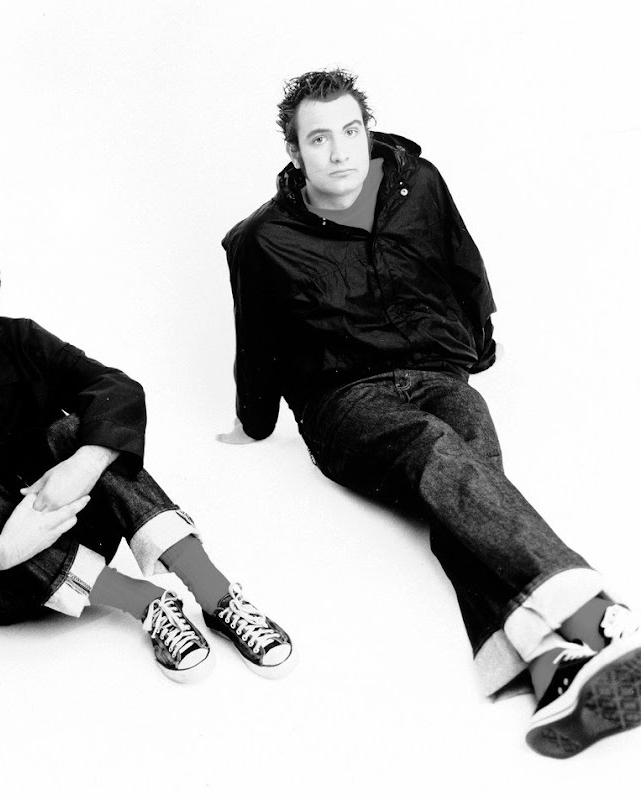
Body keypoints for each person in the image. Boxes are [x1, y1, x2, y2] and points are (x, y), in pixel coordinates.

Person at [219, 68, 640, 756]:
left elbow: (464, 265)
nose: (340, 151)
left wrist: (479, 349)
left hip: (438, 371)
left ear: (368, 130)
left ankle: (548, 670)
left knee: (470, 469)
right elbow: (256, 343)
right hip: (344, 400)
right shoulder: (261, 239)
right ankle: (594, 616)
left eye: (350, 131)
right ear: (294, 152)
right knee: (437, 451)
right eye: (319, 139)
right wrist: (254, 423)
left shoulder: (419, 184)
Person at [0, 231, 294, 683]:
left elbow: (117, 387)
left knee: (78, 432)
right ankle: (145, 601)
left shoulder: (20, 342)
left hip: (81, 532)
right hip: (3, 585)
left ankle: (217, 597)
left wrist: (85, 463)